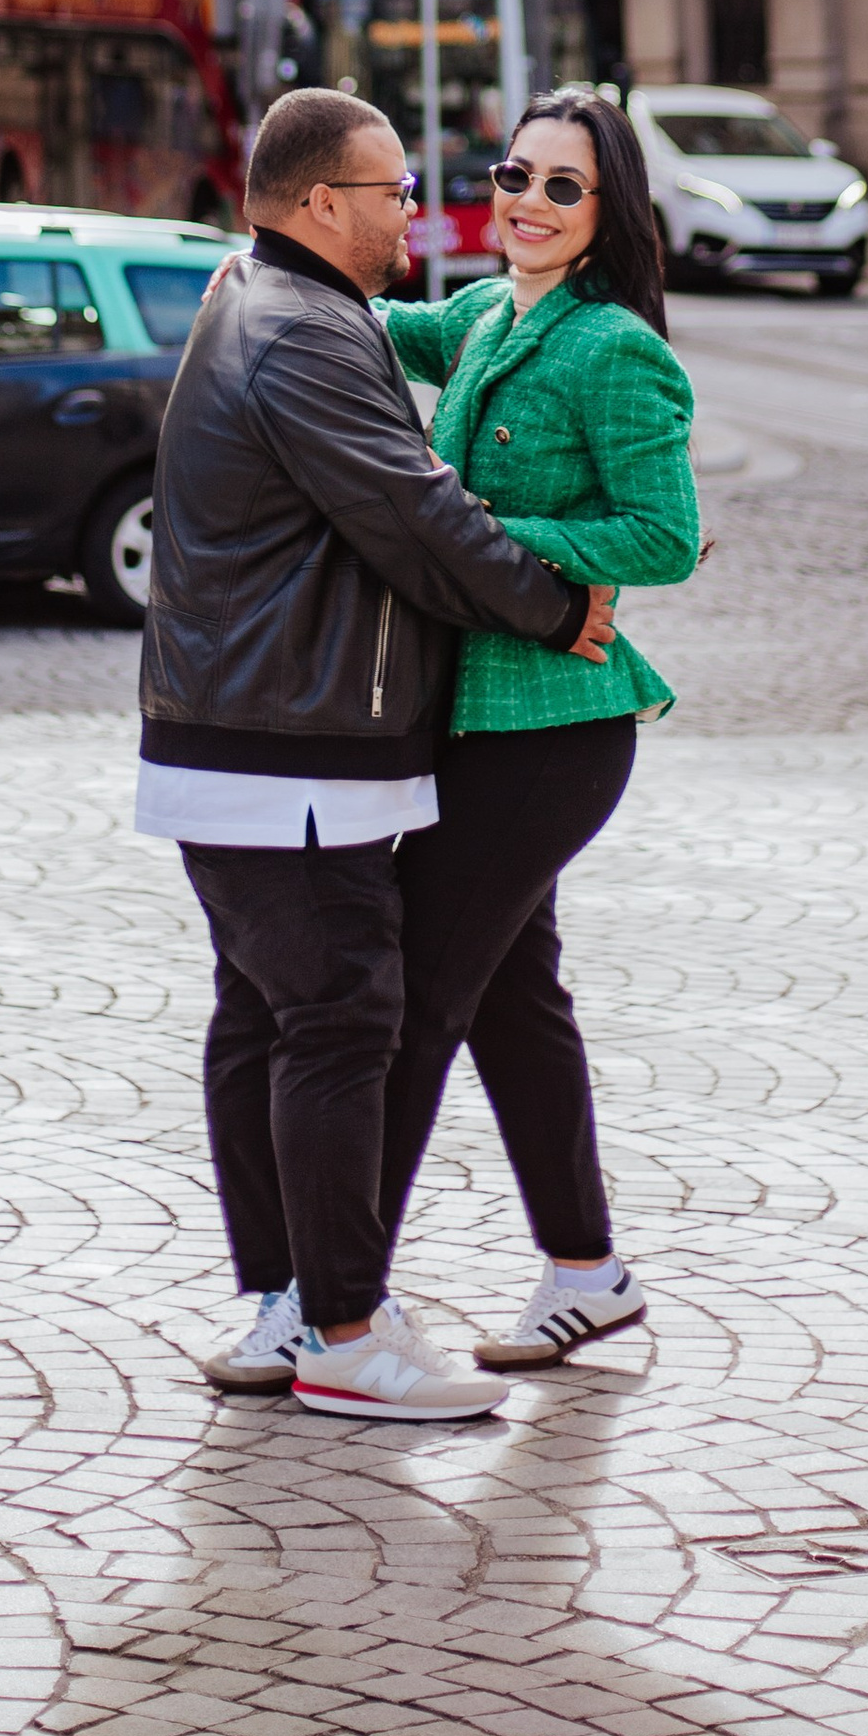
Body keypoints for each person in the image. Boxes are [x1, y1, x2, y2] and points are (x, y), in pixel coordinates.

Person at [136, 85, 618, 1423]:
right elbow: (417, 520)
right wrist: (553, 599)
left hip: (250, 734)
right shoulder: (300, 331)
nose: (417, 212)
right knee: (345, 1015)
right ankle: (344, 1329)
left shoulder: (275, 298)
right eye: (394, 191)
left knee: (270, 1018)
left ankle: (295, 1302)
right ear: (316, 205)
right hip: (284, 745)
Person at [377, 85, 700, 1374]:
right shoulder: (487, 313)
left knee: (411, 995)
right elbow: (390, 327)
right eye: (515, 175)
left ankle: (327, 1291)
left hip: (556, 731)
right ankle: (587, 1269)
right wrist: (270, 270)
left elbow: (662, 536)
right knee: (516, 1002)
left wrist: (496, 540)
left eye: (562, 188)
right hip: (480, 718)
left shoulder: (611, 347)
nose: (527, 204)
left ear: (605, 209)